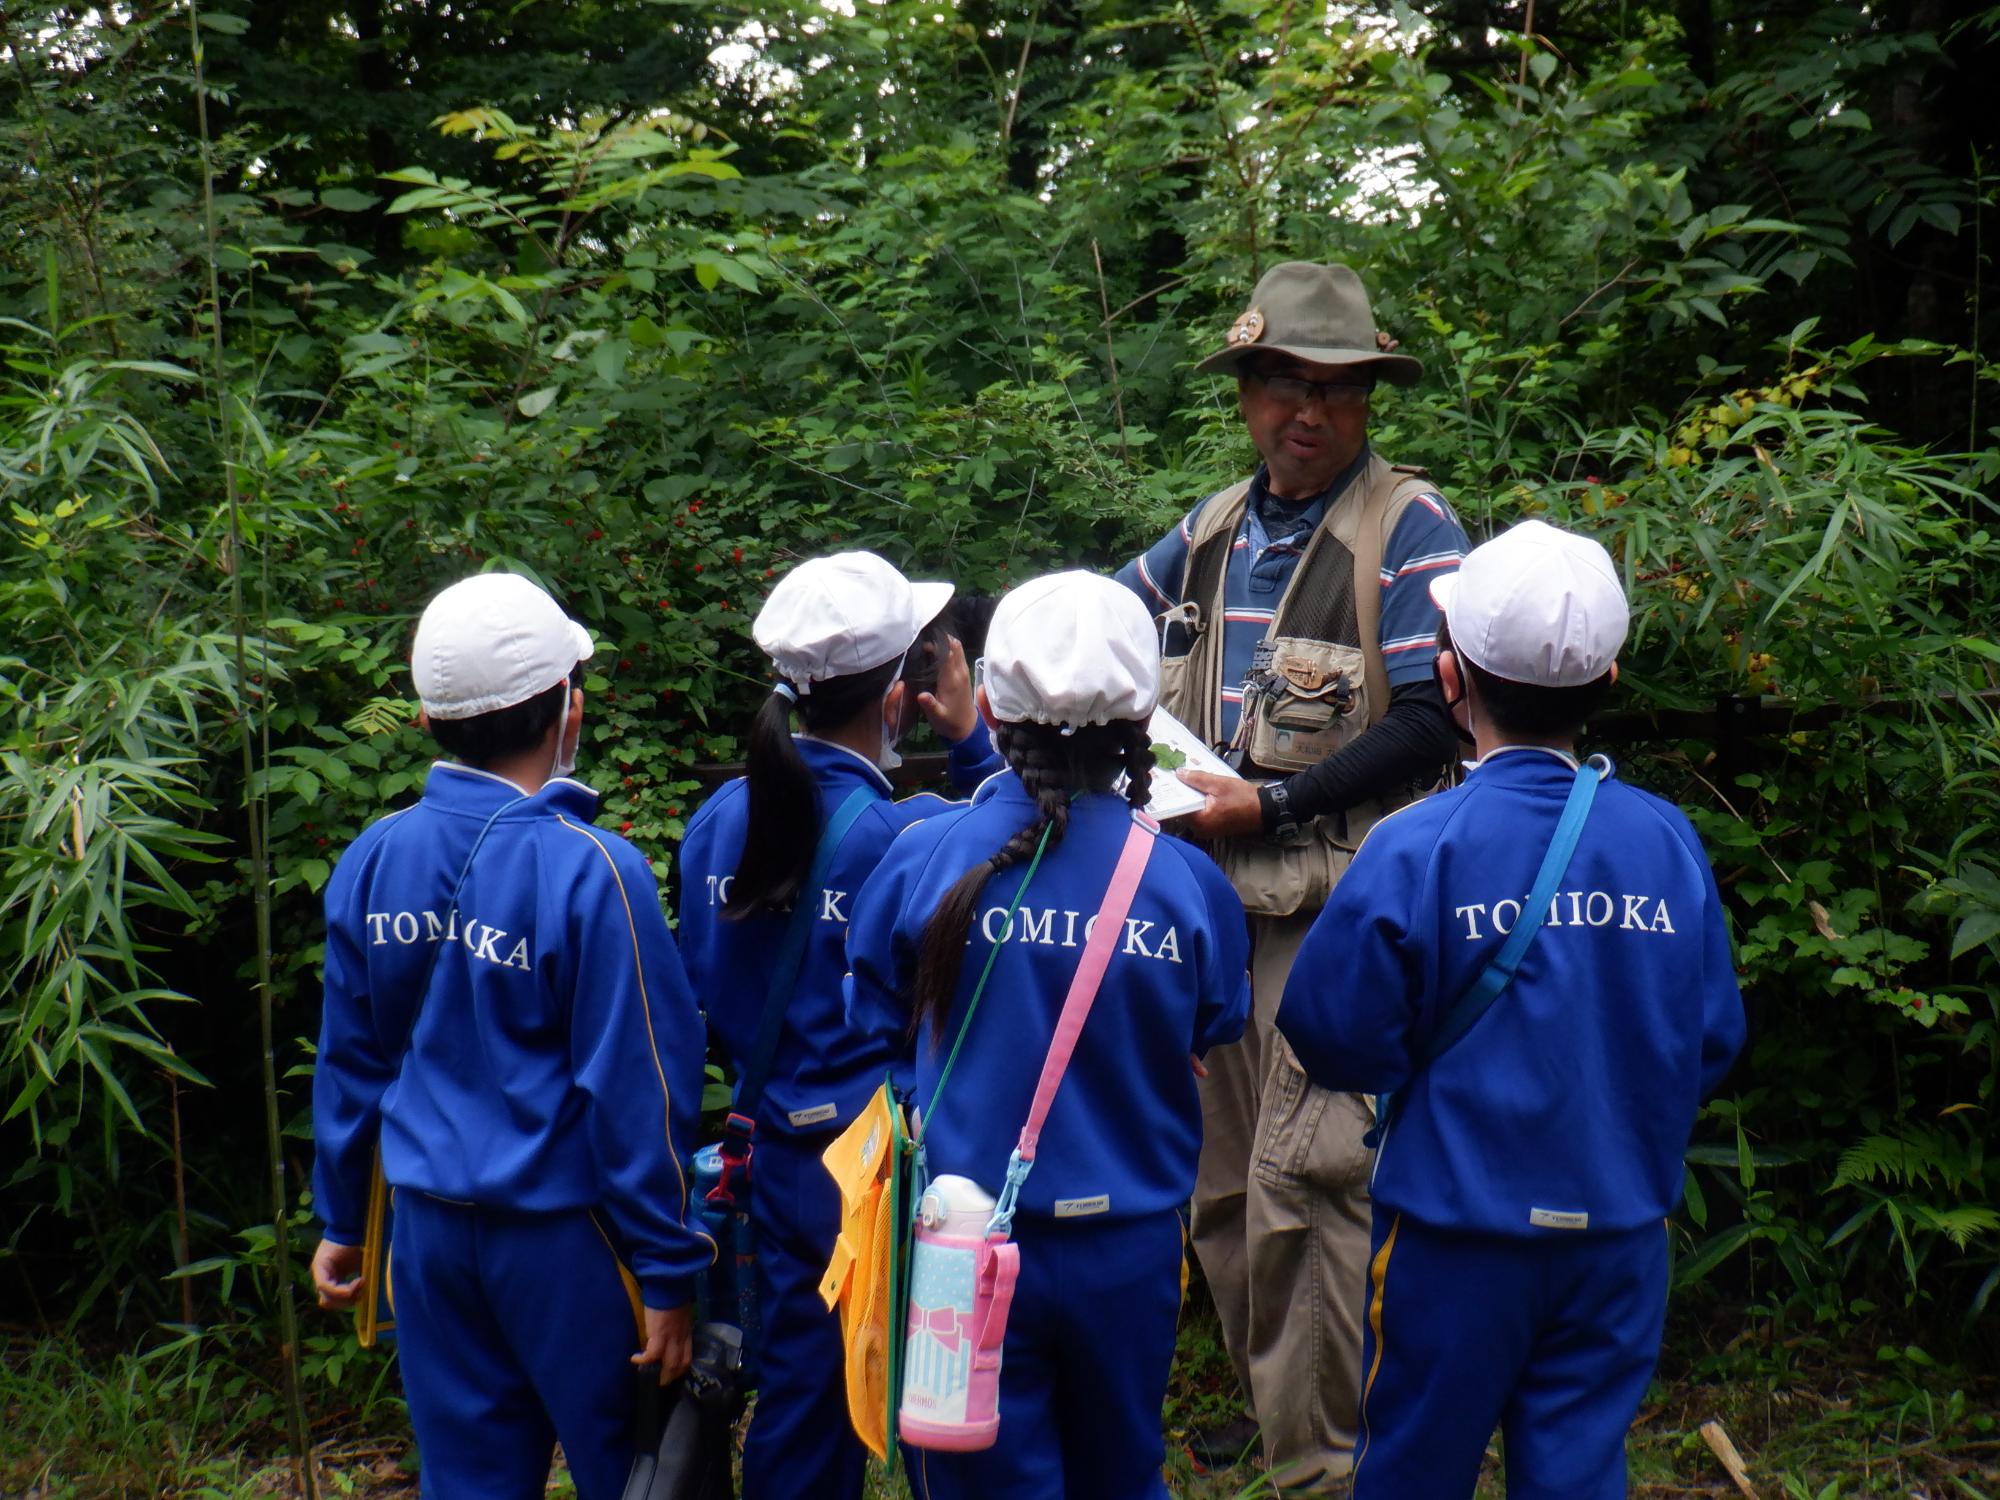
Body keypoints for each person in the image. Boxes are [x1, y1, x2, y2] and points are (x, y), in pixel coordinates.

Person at [1276, 520, 1747, 1498]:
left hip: (1451, 1234)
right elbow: (1708, 1037)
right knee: (1576, 1469)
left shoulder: (1415, 846)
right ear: (1606, 684)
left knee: (1411, 1462)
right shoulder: (1664, 844)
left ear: (1447, 681)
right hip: (1616, 1235)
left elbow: (1327, 1030)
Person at [1113, 260, 1468, 1488]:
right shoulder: (1207, 532)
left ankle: (1327, 1467)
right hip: (1199, 920)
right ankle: (1282, 1422)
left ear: (1368, 404)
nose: (1305, 413)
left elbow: (1433, 716)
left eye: (1336, 391)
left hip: (1332, 929)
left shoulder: (1406, 527)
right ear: (1246, 392)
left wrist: (1270, 801)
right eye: (1280, 385)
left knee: (1306, 1195)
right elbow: (1102, 639)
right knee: (1215, 1196)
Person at [845, 570, 1251, 1500]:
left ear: (985, 703)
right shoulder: (1188, 886)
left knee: (974, 1479)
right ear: (1145, 714)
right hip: (1130, 1253)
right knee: (1121, 1473)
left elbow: (871, 1013)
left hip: (960, 1244)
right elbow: (1213, 1024)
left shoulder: (925, 855)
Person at [310, 572, 715, 1500]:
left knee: (470, 1481)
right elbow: (639, 1087)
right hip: (569, 1242)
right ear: (567, 711)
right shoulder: (594, 870)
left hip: (427, 1238)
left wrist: (343, 1218)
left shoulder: (375, 858)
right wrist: (665, 1269)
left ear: (424, 720)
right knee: (642, 1475)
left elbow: (352, 1063)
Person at [675, 551, 999, 1500]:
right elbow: (1010, 837)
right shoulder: (906, 833)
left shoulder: (714, 824)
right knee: (940, 1393)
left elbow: (704, 977)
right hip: (874, 1167)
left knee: (803, 1398)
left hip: (769, 1150)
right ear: (900, 699)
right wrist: (974, 738)